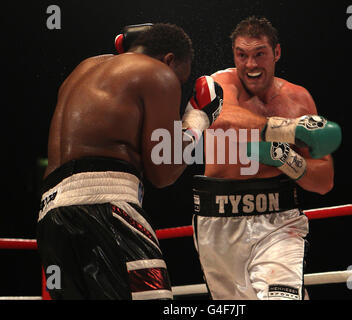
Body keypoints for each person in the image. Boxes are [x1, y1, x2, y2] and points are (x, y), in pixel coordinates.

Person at [37, 23, 223, 300]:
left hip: (51, 216)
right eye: (178, 78)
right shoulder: (158, 73)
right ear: (169, 59)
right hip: (106, 208)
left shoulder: (84, 68)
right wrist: (198, 117)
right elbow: (164, 172)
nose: (174, 85)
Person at [192, 16, 340, 300]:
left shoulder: (299, 100)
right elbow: (222, 121)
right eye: (242, 55)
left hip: (279, 220)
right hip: (219, 222)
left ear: (277, 53)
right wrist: (289, 130)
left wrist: (285, 158)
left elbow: (324, 181)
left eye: (259, 54)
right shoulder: (221, 83)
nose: (250, 64)